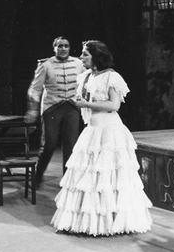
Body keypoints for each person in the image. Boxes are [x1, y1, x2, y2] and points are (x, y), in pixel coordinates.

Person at [51, 40, 152, 236]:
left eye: (85, 54)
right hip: (93, 129)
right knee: (88, 176)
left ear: (96, 56)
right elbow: (82, 101)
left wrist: (87, 104)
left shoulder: (111, 77)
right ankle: (88, 222)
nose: (81, 58)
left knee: (108, 177)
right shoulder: (86, 76)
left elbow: (114, 106)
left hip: (109, 130)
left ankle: (110, 223)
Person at [25, 36, 85, 187]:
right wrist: (32, 109)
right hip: (52, 107)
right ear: (54, 48)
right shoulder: (46, 65)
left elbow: (87, 82)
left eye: (66, 46)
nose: (63, 49)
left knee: (70, 145)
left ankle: (67, 183)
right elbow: (35, 88)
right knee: (50, 144)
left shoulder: (78, 64)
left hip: (71, 107)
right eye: (60, 46)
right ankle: (38, 175)